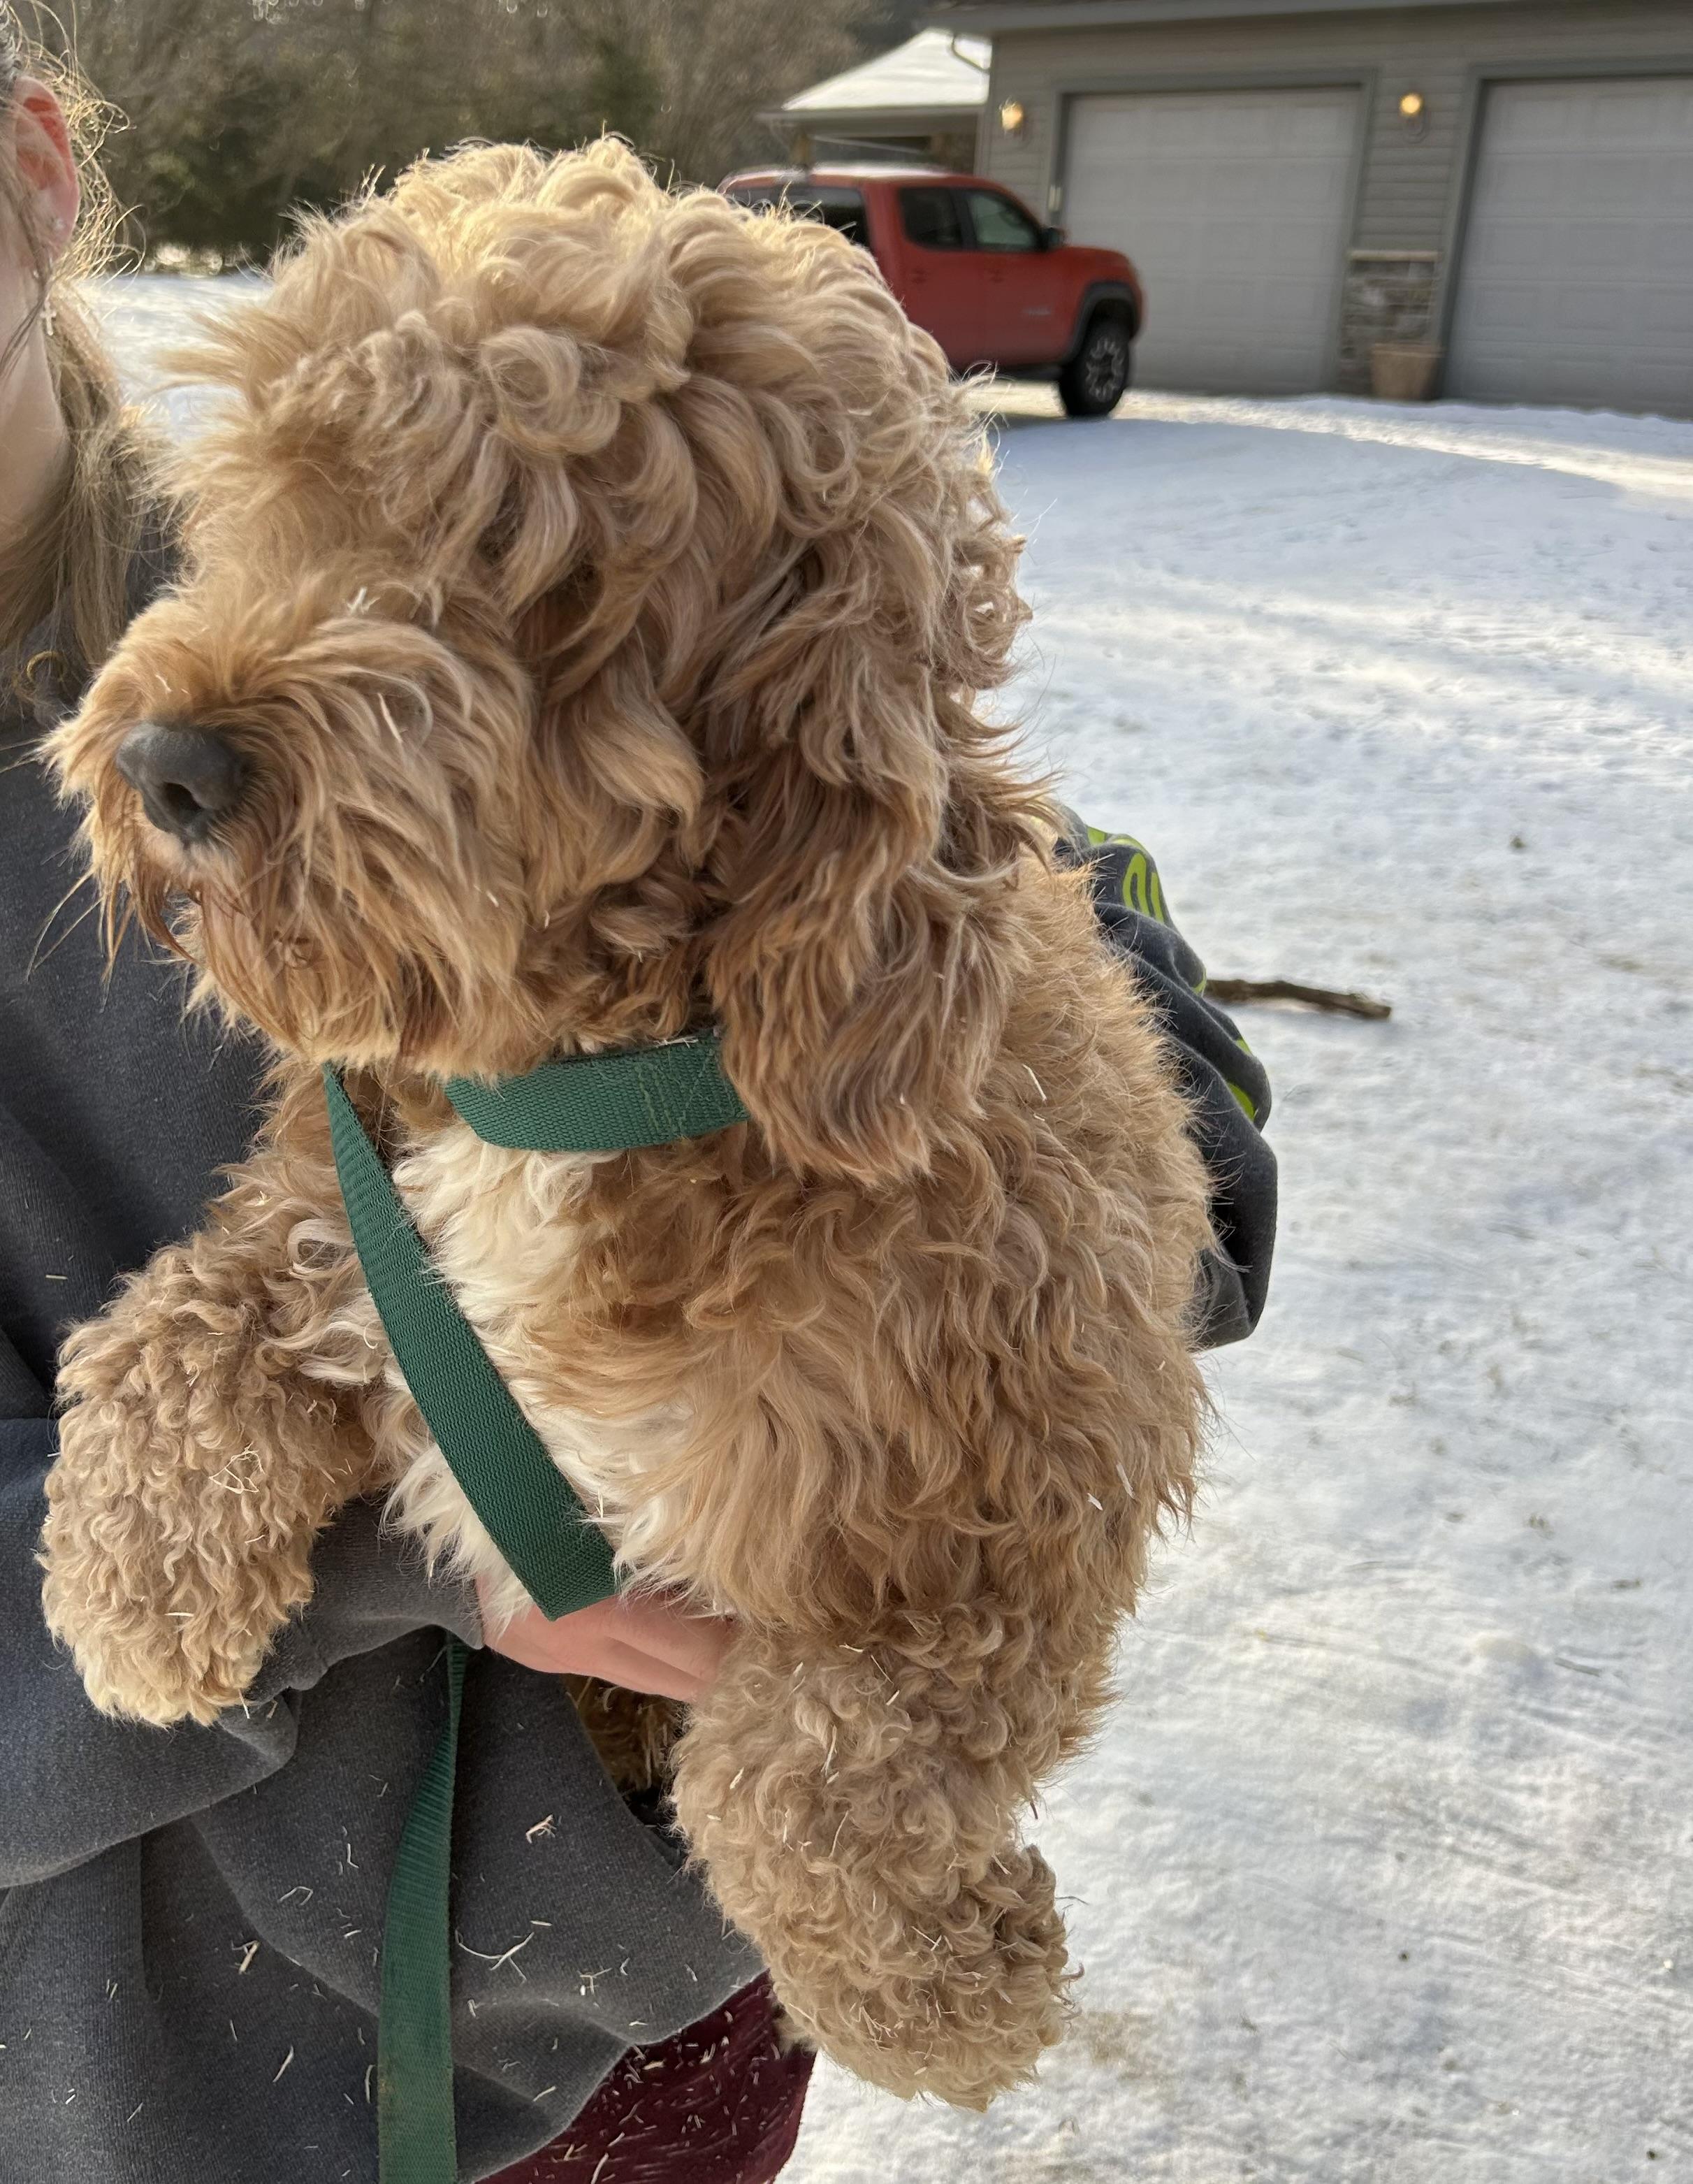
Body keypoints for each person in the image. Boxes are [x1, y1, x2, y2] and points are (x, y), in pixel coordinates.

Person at [0, 20, 1274, 2183]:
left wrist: (1106, 1182)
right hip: (119, 2094)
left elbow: (993, 913)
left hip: (628, 2011)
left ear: (38, 164)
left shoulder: (438, 446)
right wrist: (447, 1553)